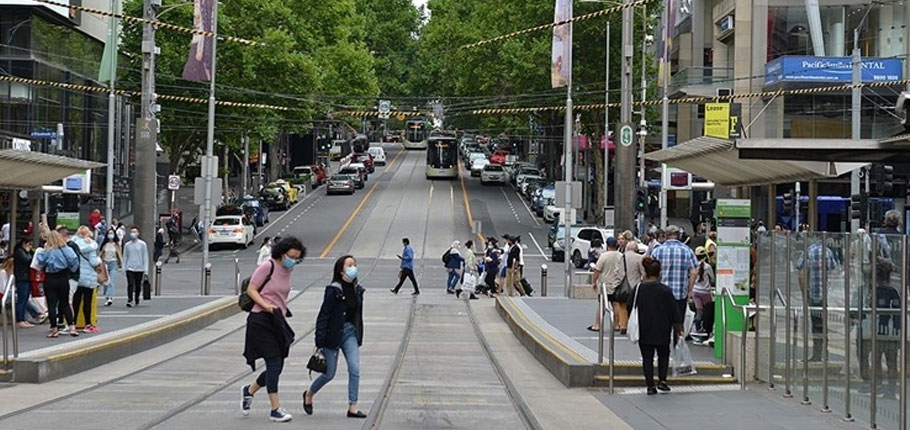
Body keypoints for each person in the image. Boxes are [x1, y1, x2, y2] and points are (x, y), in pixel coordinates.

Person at [240, 237, 305, 422]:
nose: (293, 261)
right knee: (274, 362)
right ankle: (275, 409)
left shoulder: (288, 270)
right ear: (282, 253)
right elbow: (251, 290)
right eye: (291, 256)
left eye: (297, 258)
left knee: (277, 366)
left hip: (278, 320)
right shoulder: (267, 266)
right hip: (261, 319)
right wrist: (266, 306)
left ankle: (249, 390)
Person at [305, 254, 367, 419]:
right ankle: (309, 393)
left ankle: (352, 406)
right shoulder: (333, 290)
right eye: (349, 265)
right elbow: (324, 315)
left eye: (354, 264)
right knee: (329, 374)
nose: (353, 268)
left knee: (354, 368)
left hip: (350, 333)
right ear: (341, 270)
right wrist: (319, 340)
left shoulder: (357, 290)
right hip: (332, 335)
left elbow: (357, 316)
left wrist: (358, 333)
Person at [630, 257, 684, 395]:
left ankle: (650, 386)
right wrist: (678, 328)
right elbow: (674, 311)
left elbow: (630, 305)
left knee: (647, 358)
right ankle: (662, 381)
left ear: (645, 272)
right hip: (663, 328)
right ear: (659, 272)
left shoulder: (638, 289)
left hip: (644, 328)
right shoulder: (665, 290)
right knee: (663, 355)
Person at [36, 230, 80, 337]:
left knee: (51, 305)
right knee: (65, 303)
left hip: (50, 278)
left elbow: (40, 262)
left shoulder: (47, 251)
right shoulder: (67, 249)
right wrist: (72, 270)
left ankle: (54, 329)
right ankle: (72, 327)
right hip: (63, 277)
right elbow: (74, 261)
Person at [650, 225, 699, 320]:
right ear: (679, 235)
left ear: (665, 235)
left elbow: (651, 272)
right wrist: (689, 290)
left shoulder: (657, 251)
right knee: (678, 322)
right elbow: (694, 271)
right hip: (680, 294)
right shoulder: (687, 251)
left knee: (663, 322)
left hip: (661, 294)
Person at [72, 226, 102, 333]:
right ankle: (88, 324)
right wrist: (99, 260)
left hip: (77, 276)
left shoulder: (73, 244)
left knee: (76, 300)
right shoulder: (91, 246)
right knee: (87, 301)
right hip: (88, 276)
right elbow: (94, 262)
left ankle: (73, 323)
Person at [590, 237, 623, 332]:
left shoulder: (604, 256)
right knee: (615, 304)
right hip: (616, 284)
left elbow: (597, 270)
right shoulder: (621, 256)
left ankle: (597, 325)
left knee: (602, 305)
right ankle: (616, 324)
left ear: (607, 245)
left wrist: (594, 282)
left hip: (605, 285)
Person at [689, 247, 715, 338]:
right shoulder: (707, 267)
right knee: (707, 311)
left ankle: (697, 329)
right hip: (705, 291)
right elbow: (712, 279)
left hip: (695, 291)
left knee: (699, 311)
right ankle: (706, 329)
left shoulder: (693, 266)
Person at [122, 226, 149, 308]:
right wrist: (124, 267)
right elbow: (125, 256)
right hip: (129, 267)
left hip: (139, 268)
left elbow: (145, 257)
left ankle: (137, 298)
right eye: (131, 232)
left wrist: (146, 270)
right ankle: (130, 299)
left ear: (138, 233)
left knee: (137, 285)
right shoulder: (127, 245)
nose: (133, 234)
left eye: (134, 232)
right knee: (130, 284)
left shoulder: (142, 244)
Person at [12, 238, 35, 328]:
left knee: (25, 299)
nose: (30, 247)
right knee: (21, 299)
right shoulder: (20, 252)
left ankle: (23, 318)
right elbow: (27, 260)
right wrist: (29, 252)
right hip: (22, 278)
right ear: (24, 244)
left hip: (26, 277)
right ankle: (19, 319)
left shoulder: (25, 252)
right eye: (29, 244)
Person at [100, 227, 123, 307]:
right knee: (106, 282)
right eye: (109, 233)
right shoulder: (104, 245)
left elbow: (120, 255)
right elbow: (100, 254)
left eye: (112, 233)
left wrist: (121, 264)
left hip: (114, 263)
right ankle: (107, 296)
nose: (111, 235)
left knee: (112, 281)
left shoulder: (117, 245)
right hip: (105, 263)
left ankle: (110, 297)